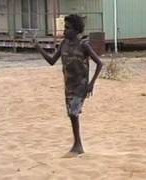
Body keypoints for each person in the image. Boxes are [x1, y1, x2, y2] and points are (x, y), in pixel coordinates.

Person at [33, 14, 103, 158]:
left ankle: (78, 145)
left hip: (81, 86)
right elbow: (52, 61)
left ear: (76, 30)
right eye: (64, 27)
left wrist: (91, 84)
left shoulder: (84, 45)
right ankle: (77, 145)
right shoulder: (64, 44)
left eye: (67, 28)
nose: (64, 30)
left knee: (73, 113)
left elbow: (99, 63)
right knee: (71, 115)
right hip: (68, 86)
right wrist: (39, 48)